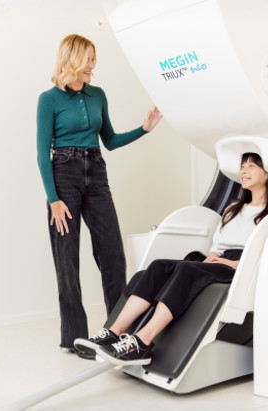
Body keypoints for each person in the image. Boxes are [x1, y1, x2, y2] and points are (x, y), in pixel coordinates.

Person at [75, 153, 268, 366]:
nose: (244, 171)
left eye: (251, 166)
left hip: (243, 266)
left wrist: (231, 264)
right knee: (158, 266)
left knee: (187, 270)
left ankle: (142, 342)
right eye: (242, 166)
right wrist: (213, 258)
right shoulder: (232, 210)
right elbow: (216, 246)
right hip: (219, 261)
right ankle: (112, 332)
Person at [37, 34, 163, 357]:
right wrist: (53, 199)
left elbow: (110, 140)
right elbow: (41, 152)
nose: (93, 65)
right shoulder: (48, 100)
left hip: (96, 173)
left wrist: (144, 129)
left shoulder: (98, 95)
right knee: (67, 260)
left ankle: (117, 331)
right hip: (63, 177)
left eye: (94, 59)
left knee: (112, 254)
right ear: (72, 59)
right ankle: (74, 337)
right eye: (88, 59)